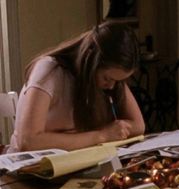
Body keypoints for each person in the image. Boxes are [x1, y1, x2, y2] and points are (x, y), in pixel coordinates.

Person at [8, 21, 145, 153]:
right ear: (91, 62)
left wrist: (117, 129)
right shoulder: (50, 71)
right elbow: (28, 141)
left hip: (74, 163)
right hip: (27, 169)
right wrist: (101, 135)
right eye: (107, 78)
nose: (111, 86)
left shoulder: (111, 79)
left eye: (118, 81)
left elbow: (138, 126)